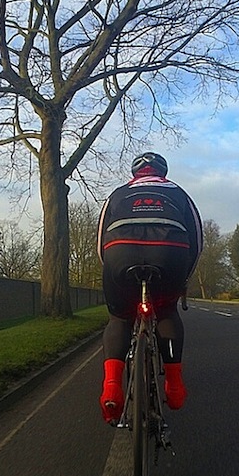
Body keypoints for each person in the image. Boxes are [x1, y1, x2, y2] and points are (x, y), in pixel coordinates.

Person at [96, 152, 203, 424]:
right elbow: (197, 241)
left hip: (120, 254)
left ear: (135, 174)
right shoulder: (179, 193)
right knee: (166, 312)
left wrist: (112, 272)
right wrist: (184, 280)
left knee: (120, 318)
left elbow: (100, 244)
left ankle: (111, 387)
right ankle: (175, 388)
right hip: (171, 254)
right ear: (163, 172)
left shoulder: (118, 194)